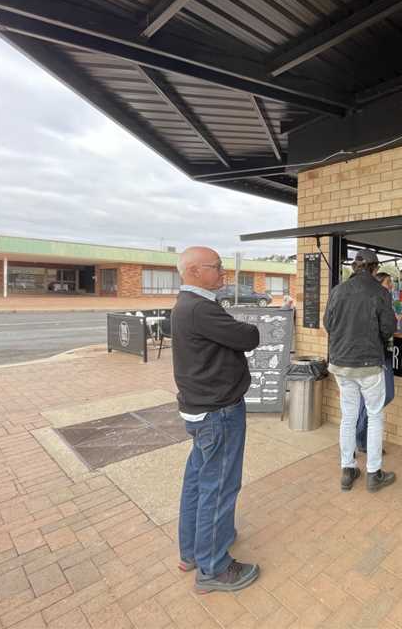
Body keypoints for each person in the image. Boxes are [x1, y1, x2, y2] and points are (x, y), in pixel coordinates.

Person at [172, 246, 261, 593]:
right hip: (218, 413)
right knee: (219, 486)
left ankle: (193, 551)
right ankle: (214, 567)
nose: (223, 272)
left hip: (201, 409)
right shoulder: (200, 308)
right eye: (217, 267)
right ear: (194, 271)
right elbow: (248, 336)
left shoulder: (189, 306)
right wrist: (241, 331)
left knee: (198, 481)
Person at [324, 249, 397, 492]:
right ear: (375, 269)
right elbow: (388, 329)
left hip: (340, 363)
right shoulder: (380, 292)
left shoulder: (337, 291)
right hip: (368, 364)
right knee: (375, 416)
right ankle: (373, 474)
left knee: (348, 416)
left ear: (354, 268)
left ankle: (348, 469)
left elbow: (328, 324)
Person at [355, 272, 396, 454]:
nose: (392, 286)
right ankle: (361, 438)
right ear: (380, 284)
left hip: (377, 354)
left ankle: (359, 438)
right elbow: (387, 328)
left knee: (373, 398)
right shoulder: (379, 299)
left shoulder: (378, 299)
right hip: (375, 355)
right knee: (383, 396)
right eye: (389, 283)